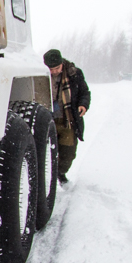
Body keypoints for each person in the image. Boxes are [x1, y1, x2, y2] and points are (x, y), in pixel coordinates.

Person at [43, 49, 90, 183]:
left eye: (57, 68)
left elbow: (84, 92)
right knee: (47, 152)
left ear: (62, 63)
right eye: (50, 69)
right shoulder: (40, 74)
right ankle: (47, 178)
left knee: (68, 154)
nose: (54, 71)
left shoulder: (74, 73)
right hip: (48, 119)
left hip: (67, 120)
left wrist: (83, 105)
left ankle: (60, 173)